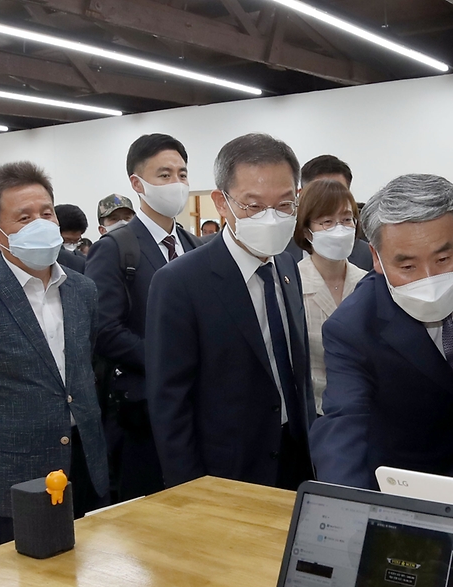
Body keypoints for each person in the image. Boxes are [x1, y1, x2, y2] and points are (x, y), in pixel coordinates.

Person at [0, 161, 108, 549]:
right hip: (13, 472)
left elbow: (84, 364)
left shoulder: (82, 289)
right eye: (23, 217)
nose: (40, 224)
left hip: (85, 459)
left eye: (45, 213)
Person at [309, 174, 453, 489]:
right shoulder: (353, 327)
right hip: (423, 485)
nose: (429, 278)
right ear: (376, 258)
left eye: (444, 258)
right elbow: (342, 425)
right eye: (407, 268)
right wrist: (346, 514)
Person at [147, 133, 314, 490]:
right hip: (226, 469)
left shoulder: (288, 264)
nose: (271, 218)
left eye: (284, 205)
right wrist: (189, 491)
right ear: (221, 203)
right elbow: (169, 404)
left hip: (295, 456)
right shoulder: (179, 282)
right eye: (253, 206)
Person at [84, 134, 201, 502]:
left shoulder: (195, 246)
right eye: (164, 175)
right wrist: (164, 359)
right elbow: (104, 328)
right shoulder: (116, 247)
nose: (177, 184)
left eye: (182, 174)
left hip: (196, 402)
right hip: (142, 408)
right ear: (138, 184)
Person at [294, 179, 367, 415]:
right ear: (307, 231)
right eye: (327, 221)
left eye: (347, 220)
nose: (339, 229)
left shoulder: (368, 283)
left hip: (365, 408)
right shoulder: (291, 284)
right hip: (312, 413)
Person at [282, 154, 373, 270]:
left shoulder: (367, 255)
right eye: (320, 194)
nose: (331, 202)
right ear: (301, 195)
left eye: (339, 192)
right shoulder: (280, 254)